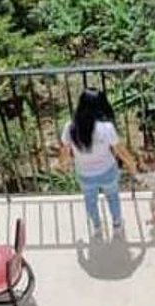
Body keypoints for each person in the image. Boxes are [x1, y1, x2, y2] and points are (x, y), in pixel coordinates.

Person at [58, 88, 138, 235]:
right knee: (112, 197)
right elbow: (121, 151)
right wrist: (132, 165)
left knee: (90, 201)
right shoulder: (106, 128)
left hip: (85, 174)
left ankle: (97, 227)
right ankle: (117, 225)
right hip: (107, 171)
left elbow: (64, 151)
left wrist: (63, 166)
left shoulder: (70, 127)